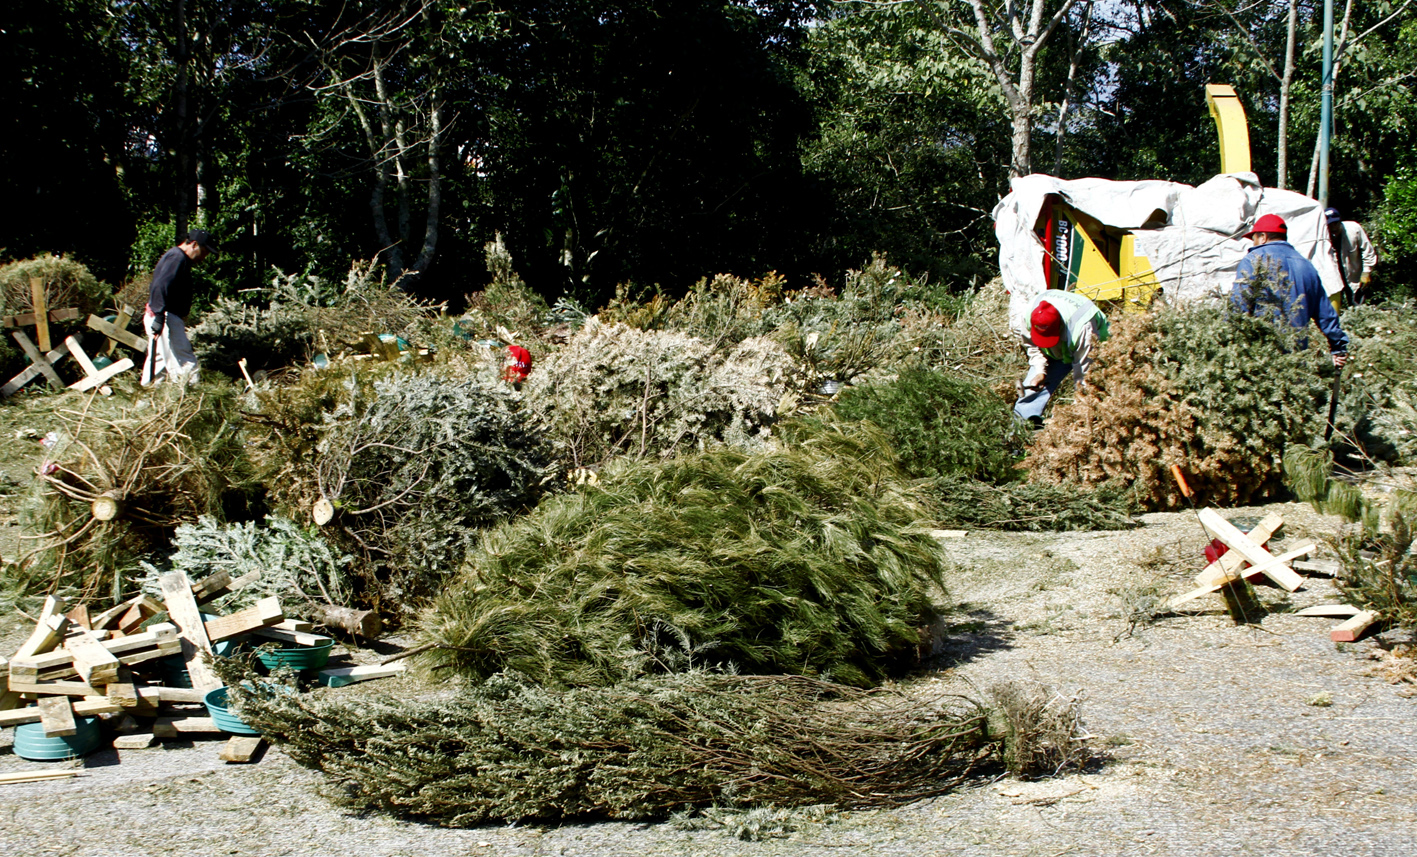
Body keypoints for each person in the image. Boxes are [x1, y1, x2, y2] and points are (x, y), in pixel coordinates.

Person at [1230, 213, 1348, 367]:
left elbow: (1238, 306)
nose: (1253, 245)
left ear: (1263, 237)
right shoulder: (1307, 266)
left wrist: (1229, 343)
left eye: (1254, 239)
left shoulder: (1254, 260)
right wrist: (1338, 346)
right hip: (1296, 358)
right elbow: (1325, 313)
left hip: (1260, 356)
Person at [1012, 290, 1110, 426]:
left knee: (1090, 396)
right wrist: (1040, 372)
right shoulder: (1029, 314)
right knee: (1030, 391)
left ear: (1060, 326)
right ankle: (1018, 434)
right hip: (1062, 344)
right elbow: (1032, 347)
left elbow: (1084, 377)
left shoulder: (1083, 329)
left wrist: (1074, 415)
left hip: (1088, 345)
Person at [142, 228, 218, 386]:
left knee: (159, 363)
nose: (204, 257)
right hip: (165, 316)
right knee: (184, 359)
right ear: (194, 244)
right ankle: (191, 396)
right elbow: (160, 285)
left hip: (163, 314)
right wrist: (159, 315)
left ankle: (146, 400)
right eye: (204, 252)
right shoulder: (177, 257)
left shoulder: (177, 257)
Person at [1325, 207, 1378, 305]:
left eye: (1336, 223)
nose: (1334, 228)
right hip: (1335, 280)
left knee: (1360, 304)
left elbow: (1368, 250)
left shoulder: (1354, 229)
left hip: (1355, 278)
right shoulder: (1322, 237)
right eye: (1330, 225)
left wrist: (1366, 272)